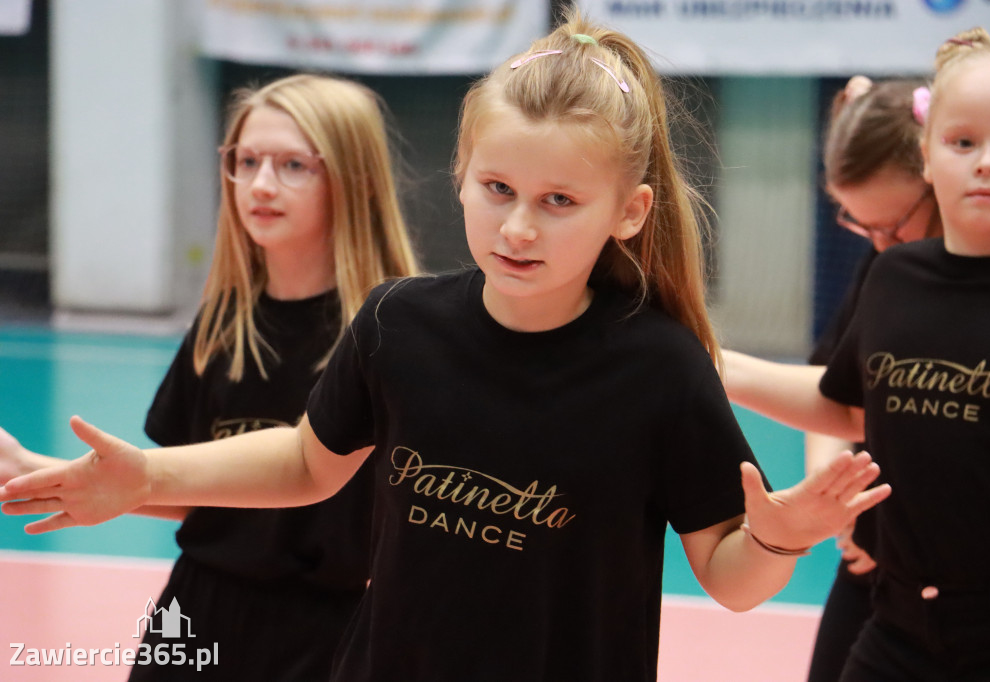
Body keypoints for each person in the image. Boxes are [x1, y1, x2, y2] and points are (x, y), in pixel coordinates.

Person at [0, 10, 889, 681]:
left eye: (558, 202)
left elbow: (729, 580)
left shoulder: (660, 369)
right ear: (461, 174)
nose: (517, 226)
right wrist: (145, 480)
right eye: (497, 186)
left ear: (630, 213)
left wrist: (780, 540)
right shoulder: (400, 323)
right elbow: (311, 464)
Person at [0, 73, 419, 681]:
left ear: (353, 178)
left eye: (292, 165)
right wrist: (28, 469)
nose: (261, 185)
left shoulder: (392, 335)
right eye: (245, 162)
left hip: (329, 633)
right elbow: (191, 497)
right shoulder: (224, 325)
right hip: (198, 615)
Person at [726, 27, 990, 679]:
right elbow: (845, 404)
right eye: (964, 142)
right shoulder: (893, 277)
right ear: (927, 153)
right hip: (897, 623)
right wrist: (712, 363)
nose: (987, 163)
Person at [805, 74, 941, 682]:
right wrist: (835, 505)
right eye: (862, 227)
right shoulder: (885, 267)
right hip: (869, 558)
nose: (881, 244)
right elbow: (835, 391)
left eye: (894, 224)